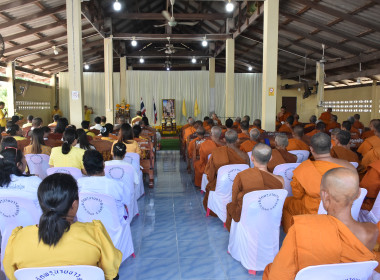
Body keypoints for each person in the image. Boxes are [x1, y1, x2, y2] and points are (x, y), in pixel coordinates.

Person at [264, 168, 378, 280]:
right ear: (358, 194)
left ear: (324, 195)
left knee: (270, 270)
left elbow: (279, 276)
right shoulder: (372, 231)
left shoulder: (302, 230)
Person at [3, 173, 122, 280]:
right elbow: (111, 273)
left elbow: (12, 275)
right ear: (74, 205)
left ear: (41, 203)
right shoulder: (95, 233)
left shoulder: (17, 239)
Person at [282, 132, 356, 232]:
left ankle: (295, 235)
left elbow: (297, 195)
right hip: (344, 208)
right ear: (331, 146)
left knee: (286, 203)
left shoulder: (304, 169)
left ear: (311, 149)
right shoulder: (349, 166)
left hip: (315, 209)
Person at [225, 143, 284, 231]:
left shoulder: (242, 176)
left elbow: (234, 200)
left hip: (248, 215)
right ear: (271, 158)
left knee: (230, 205)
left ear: (252, 158)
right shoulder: (280, 180)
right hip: (269, 215)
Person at [203, 130, 249, 214]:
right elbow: (247, 172)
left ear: (224, 140)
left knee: (211, 184)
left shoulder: (217, 153)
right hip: (240, 187)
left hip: (221, 187)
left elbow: (210, 174)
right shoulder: (245, 156)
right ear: (237, 140)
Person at [77, 150, 129, 223]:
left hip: (88, 228)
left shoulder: (78, 184)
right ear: (104, 164)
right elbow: (127, 202)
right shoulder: (117, 185)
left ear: (85, 168)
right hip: (114, 231)